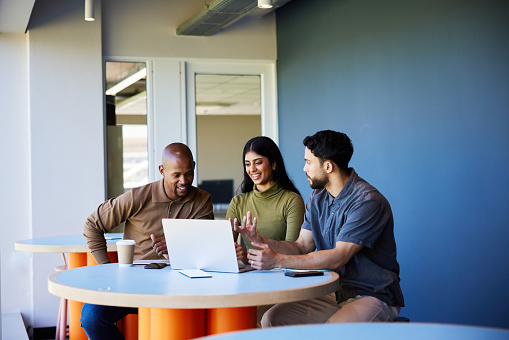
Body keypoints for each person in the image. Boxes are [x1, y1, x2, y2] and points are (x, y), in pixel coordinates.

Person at [233, 130, 404, 326]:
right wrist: (262, 241)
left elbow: (339, 257)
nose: (304, 168)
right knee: (272, 319)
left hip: (370, 294)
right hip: (333, 291)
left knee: (332, 332)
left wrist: (277, 261)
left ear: (328, 166)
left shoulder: (368, 201)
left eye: (308, 162)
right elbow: (302, 245)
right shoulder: (317, 198)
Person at [81, 142, 213, 340]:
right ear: (162, 170)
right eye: (176, 175)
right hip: (134, 282)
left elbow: (206, 246)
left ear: (193, 167)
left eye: (188, 173)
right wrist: (107, 269)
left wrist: (177, 247)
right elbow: (92, 225)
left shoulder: (202, 200)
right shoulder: (138, 197)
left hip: (183, 282)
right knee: (91, 317)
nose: (184, 181)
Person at [226, 136, 305, 263]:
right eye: (247, 164)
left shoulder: (292, 201)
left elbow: (295, 251)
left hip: (283, 274)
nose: (252, 169)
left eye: (258, 162)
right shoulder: (238, 202)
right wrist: (243, 256)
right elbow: (224, 249)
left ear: (273, 163)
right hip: (253, 275)